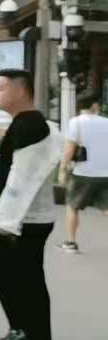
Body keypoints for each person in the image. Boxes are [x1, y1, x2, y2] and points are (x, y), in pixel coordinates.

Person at [0, 69, 58, 340]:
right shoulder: (24, 123)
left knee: (24, 276)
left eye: (1, 88)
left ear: (21, 90)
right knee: (4, 267)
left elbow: (23, 178)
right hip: (19, 219)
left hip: (24, 220)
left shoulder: (30, 125)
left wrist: (7, 224)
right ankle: (23, 329)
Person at [58, 91, 108, 254]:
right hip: (105, 173)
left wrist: (62, 170)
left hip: (82, 173)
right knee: (106, 207)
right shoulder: (106, 122)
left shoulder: (76, 122)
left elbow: (69, 149)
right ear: (94, 105)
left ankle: (71, 243)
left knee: (72, 206)